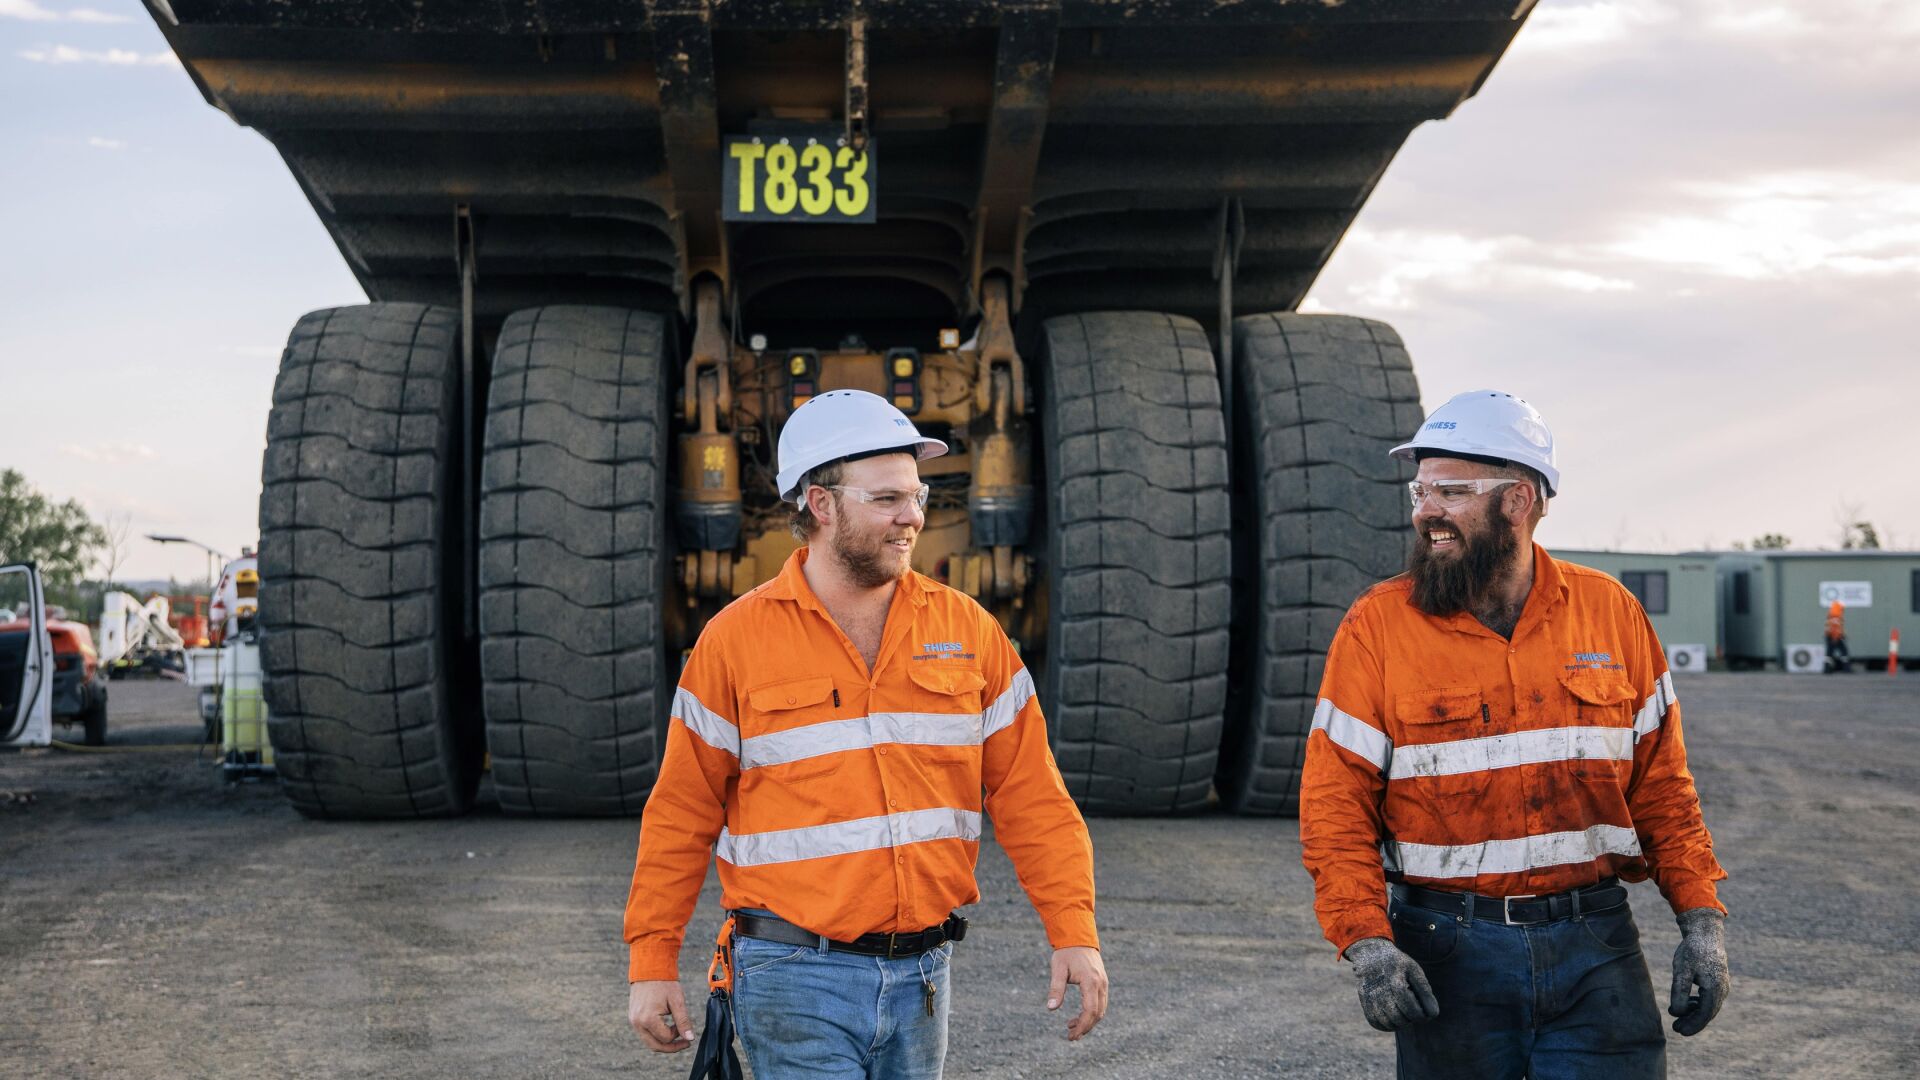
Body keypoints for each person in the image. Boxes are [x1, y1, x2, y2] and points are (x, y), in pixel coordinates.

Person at [624, 389, 1108, 1078]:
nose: (913, 516)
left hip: (924, 978)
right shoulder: (734, 643)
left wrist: (1074, 931)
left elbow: (1034, 797)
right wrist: (652, 961)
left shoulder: (969, 633)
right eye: (886, 499)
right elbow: (680, 812)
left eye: (917, 495)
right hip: (793, 975)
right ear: (822, 505)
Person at [1299, 390, 1730, 1078]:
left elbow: (1665, 793)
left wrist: (1701, 925)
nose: (1425, 511)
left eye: (1450, 490)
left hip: (1597, 946)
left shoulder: (1610, 614)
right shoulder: (1377, 627)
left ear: (1518, 501)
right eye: (1420, 490)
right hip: (1448, 949)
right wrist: (1369, 946)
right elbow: (1334, 806)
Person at [1825, 599, 1852, 673]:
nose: (1842, 610)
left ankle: (1827, 670)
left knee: (1829, 654)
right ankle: (1847, 669)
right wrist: (1837, 637)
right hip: (1835, 637)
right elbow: (1836, 629)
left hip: (1830, 637)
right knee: (1844, 652)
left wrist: (1842, 634)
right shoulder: (1836, 618)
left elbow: (1830, 628)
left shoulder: (1830, 617)